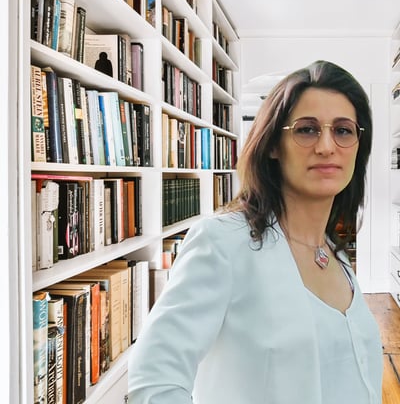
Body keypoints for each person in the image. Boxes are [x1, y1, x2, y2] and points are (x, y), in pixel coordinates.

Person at [128, 60, 383, 404]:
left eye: (343, 130)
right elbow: (153, 380)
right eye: (307, 129)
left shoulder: (337, 258)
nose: (326, 146)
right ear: (274, 144)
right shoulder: (223, 243)